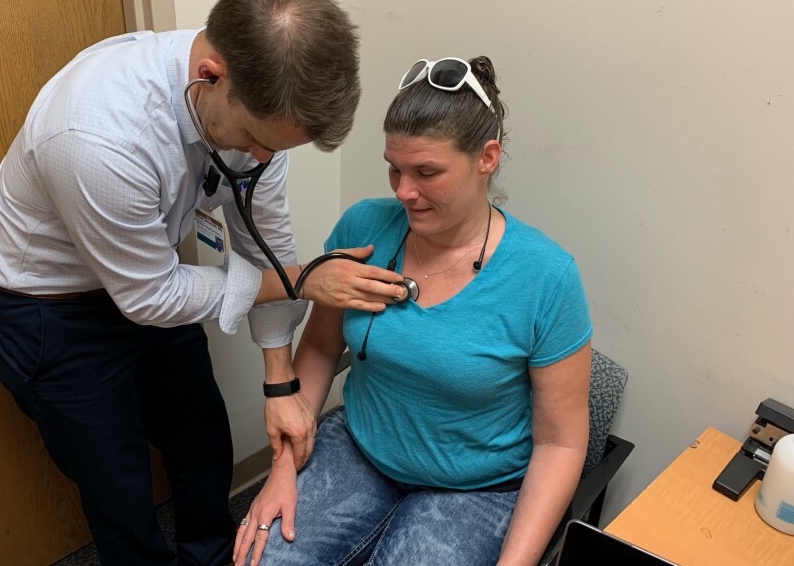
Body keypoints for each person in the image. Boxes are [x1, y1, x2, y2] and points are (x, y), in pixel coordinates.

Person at [0, 0, 406, 566]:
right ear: (210, 76)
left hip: (148, 278)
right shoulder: (97, 137)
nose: (263, 160)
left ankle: (214, 556)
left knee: (201, 440)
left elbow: (264, 244)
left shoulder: (259, 116)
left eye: (279, 150)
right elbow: (150, 299)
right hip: (48, 309)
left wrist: (279, 380)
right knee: (117, 484)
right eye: (254, 141)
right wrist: (303, 280)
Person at [235, 56, 593, 566]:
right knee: (259, 559)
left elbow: (560, 444)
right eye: (394, 168)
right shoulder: (365, 228)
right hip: (360, 449)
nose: (403, 191)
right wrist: (282, 468)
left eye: (427, 172)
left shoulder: (546, 278)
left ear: (486, 158)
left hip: (476, 488)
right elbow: (318, 345)